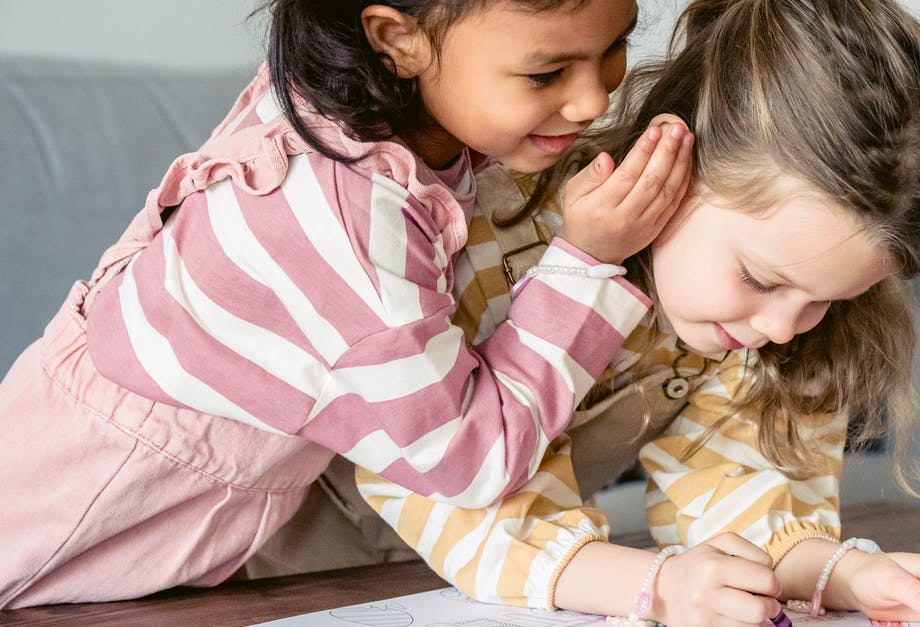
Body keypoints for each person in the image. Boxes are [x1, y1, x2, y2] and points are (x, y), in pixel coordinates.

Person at [0, 0, 696, 609]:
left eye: (615, 47)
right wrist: (587, 261)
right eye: (545, 74)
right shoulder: (345, 213)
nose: (593, 102)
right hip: (85, 504)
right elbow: (473, 460)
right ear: (396, 40)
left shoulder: (362, 106)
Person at [351, 1, 920, 626]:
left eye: (825, 299)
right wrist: (658, 586)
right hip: (303, 572)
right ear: (674, 159)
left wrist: (849, 574)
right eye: (760, 277)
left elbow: (737, 492)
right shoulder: (490, 237)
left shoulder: (754, 325)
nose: (785, 324)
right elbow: (455, 489)